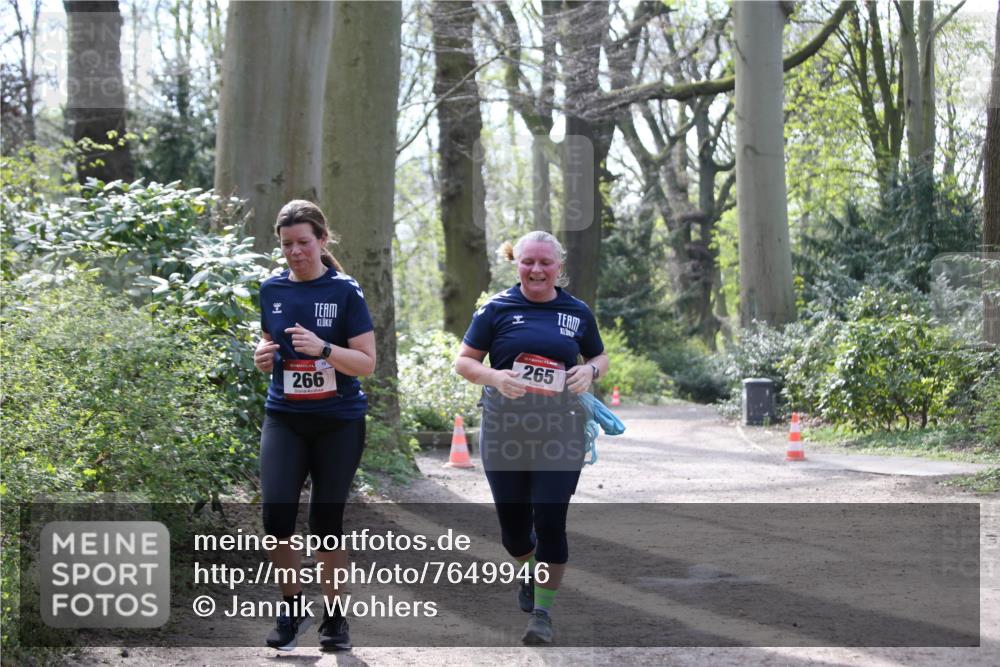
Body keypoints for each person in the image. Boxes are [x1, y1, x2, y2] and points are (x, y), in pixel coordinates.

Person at [454, 231, 609, 645]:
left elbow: (599, 355)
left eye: (545, 262)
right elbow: (464, 362)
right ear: (516, 263)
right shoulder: (496, 309)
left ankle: (542, 613)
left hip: (560, 430)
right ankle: (527, 569)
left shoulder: (576, 312)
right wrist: (494, 377)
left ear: (559, 266)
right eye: (528, 262)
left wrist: (589, 371)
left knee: (551, 520)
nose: (536, 269)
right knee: (515, 534)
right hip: (505, 430)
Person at [253, 200, 376, 651]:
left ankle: (336, 619)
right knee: (276, 518)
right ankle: (292, 609)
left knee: (326, 523)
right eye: (286, 244)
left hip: (338, 423)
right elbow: (270, 343)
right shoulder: (270, 290)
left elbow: (366, 363)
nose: (295, 252)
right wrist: (262, 354)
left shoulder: (346, 291)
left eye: (304, 242)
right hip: (284, 417)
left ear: (322, 241)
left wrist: (324, 349)